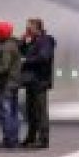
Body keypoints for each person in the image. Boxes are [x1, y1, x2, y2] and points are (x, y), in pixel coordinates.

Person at [0, 21, 23, 148]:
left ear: (1, 33)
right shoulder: (13, 45)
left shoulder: (6, 47)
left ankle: (9, 140)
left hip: (7, 84)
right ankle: (13, 139)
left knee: (5, 112)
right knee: (12, 111)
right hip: (13, 83)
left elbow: (4, 67)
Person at [20, 17, 56, 148]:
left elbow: (43, 57)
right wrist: (23, 41)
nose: (27, 29)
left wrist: (26, 61)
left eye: (29, 27)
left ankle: (43, 139)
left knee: (40, 110)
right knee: (30, 111)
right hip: (31, 81)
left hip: (40, 80)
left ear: (37, 27)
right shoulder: (32, 41)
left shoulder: (46, 41)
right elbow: (22, 51)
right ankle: (30, 137)